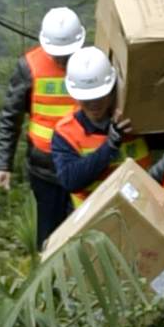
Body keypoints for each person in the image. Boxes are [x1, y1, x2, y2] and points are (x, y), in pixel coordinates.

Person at [0, 8, 88, 243]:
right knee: (48, 237)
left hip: (83, 164)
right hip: (45, 169)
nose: (62, 60)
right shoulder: (29, 66)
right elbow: (11, 116)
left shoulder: (91, 63)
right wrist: (3, 163)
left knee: (83, 232)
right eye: (58, 54)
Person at [42, 43, 130, 220]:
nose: (94, 104)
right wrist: (109, 146)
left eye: (99, 96)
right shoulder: (66, 132)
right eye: (87, 98)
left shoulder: (131, 119)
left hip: (137, 211)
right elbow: (70, 180)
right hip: (93, 221)